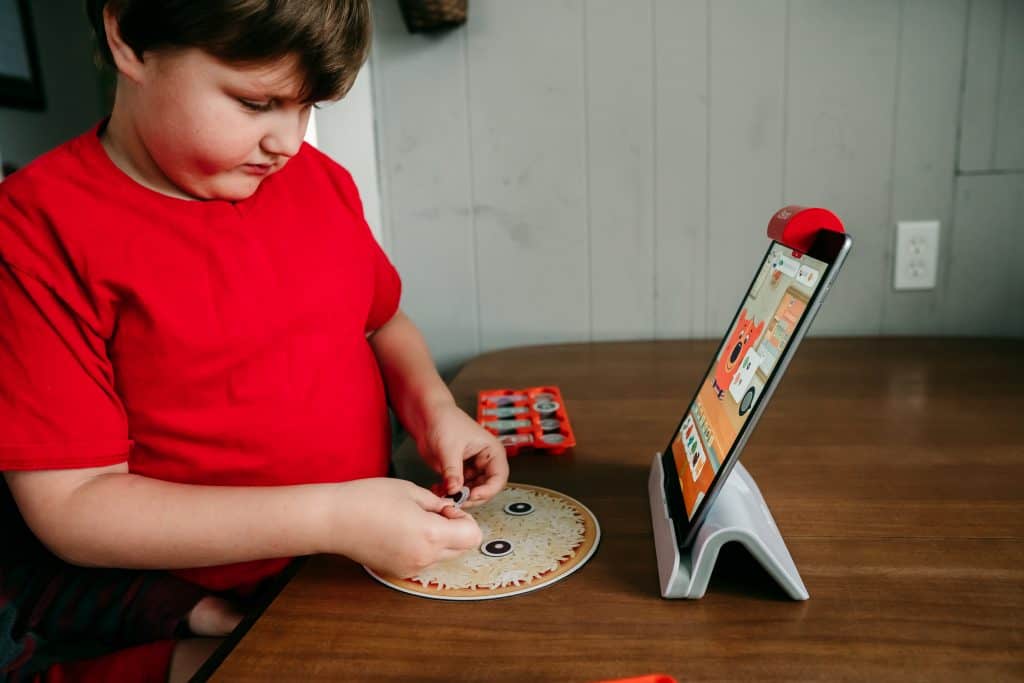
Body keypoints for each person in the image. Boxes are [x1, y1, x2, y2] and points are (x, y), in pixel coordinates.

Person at [0, 1, 507, 679]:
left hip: (359, 564)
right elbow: (73, 505)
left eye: (306, 108)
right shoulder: (38, 230)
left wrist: (434, 409)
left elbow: (381, 320)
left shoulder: (321, 184)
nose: (289, 141)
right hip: (186, 604)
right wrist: (330, 514)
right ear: (128, 36)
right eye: (256, 101)